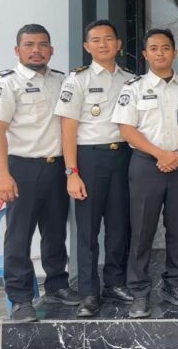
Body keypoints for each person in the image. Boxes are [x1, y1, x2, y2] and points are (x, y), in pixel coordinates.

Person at [0, 23, 80, 322]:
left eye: (42, 45)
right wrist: (2, 174)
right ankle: (21, 299)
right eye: (29, 45)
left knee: (55, 232)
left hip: (57, 167)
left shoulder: (61, 81)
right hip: (23, 168)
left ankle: (57, 285)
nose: (36, 50)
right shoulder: (6, 83)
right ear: (18, 50)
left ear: (51, 50)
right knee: (19, 236)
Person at [111, 28, 178, 319]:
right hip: (146, 165)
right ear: (145, 54)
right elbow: (126, 129)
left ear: (175, 52)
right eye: (154, 48)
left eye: (165, 47)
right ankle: (139, 291)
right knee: (142, 230)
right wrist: (161, 154)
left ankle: (174, 283)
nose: (160, 53)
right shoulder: (133, 88)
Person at [55, 19, 134, 317]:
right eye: (96, 40)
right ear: (87, 46)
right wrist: (72, 173)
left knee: (119, 225)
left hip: (123, 156)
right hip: (89, 159)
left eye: (108, 38)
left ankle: (115, 283)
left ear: (118, 45)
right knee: (88, 229)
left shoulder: (131, 80)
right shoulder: (77, 80)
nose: (103, 44)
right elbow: (68, 129)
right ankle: (89, 292)